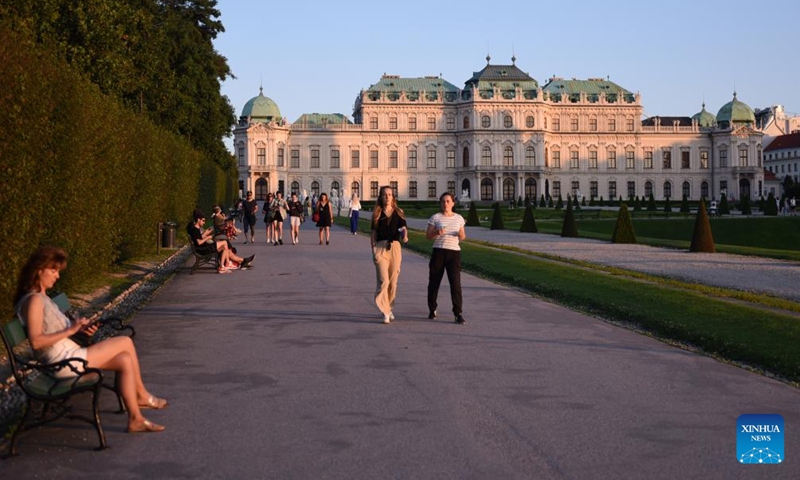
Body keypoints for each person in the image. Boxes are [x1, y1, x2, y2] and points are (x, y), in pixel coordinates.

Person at [14, 246, 167, 433]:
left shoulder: (42, 297)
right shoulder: (34, 300)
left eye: (58, 271)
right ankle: (142, 395)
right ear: (39, 270)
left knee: (124, 360)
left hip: (68, 356)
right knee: (125, 342)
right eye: (53, 271)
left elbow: (57, 330)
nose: (57, 276)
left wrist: (82, 329)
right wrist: (71, 330)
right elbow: (36, 341)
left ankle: (135, 418)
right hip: (62, 362)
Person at [425, 192, 467, 324]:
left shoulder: (459, 218)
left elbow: (463, 236)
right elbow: (428, 236)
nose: (445, 204)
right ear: (440, 203)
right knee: (434, 283)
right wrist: (437, 232)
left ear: (453, 203)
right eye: (443, 201)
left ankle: (458, 313)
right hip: (439, 252)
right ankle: (432, 309)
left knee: (455, 284)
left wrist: (461, 235)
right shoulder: (435, 218)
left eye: (448, 201)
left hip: (454, 253)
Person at [370, 186, 408, 324]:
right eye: (385, 194)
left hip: (395, 248)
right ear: (380, 197)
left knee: (393, 282)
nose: (387, 197)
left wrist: (405, 236)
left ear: (393, 197)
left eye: (390, 194)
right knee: (383, 281)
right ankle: (385, 311)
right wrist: (373, 250)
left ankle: (389, 307)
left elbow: (403, 228)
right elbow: (373, 233)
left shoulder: (399, 212)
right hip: (380, 248)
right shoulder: (377, 213)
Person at [188, 209, 253, 273]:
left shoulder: (196, 229)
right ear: (198, 220)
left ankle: (224, 265)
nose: (204, 222)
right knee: (224, 243)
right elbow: (199, 242)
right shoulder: (195, 230)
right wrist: (207, 238)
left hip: (204, 247)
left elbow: (199, 238)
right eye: (203, 221)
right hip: (203, 249)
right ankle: (228, 264)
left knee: (225, 247)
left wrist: (206, 233)